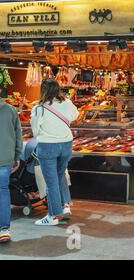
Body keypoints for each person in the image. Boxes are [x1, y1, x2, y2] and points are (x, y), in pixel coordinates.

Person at [31, 79, 79, 226]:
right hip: (66, 144)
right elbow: (75, 116)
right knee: (61, 174)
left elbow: (35, 131)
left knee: (51, 182)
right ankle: (65, 206)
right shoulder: (67, 103)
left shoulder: (38, 108)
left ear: (43, 90)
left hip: (48, 146)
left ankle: (53, 216)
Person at [0, 87, 22, 243]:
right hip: (5, 158)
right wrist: (17, 155)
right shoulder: (11, 110)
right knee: (2, 192)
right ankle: (4, 230)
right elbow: (18, 134)